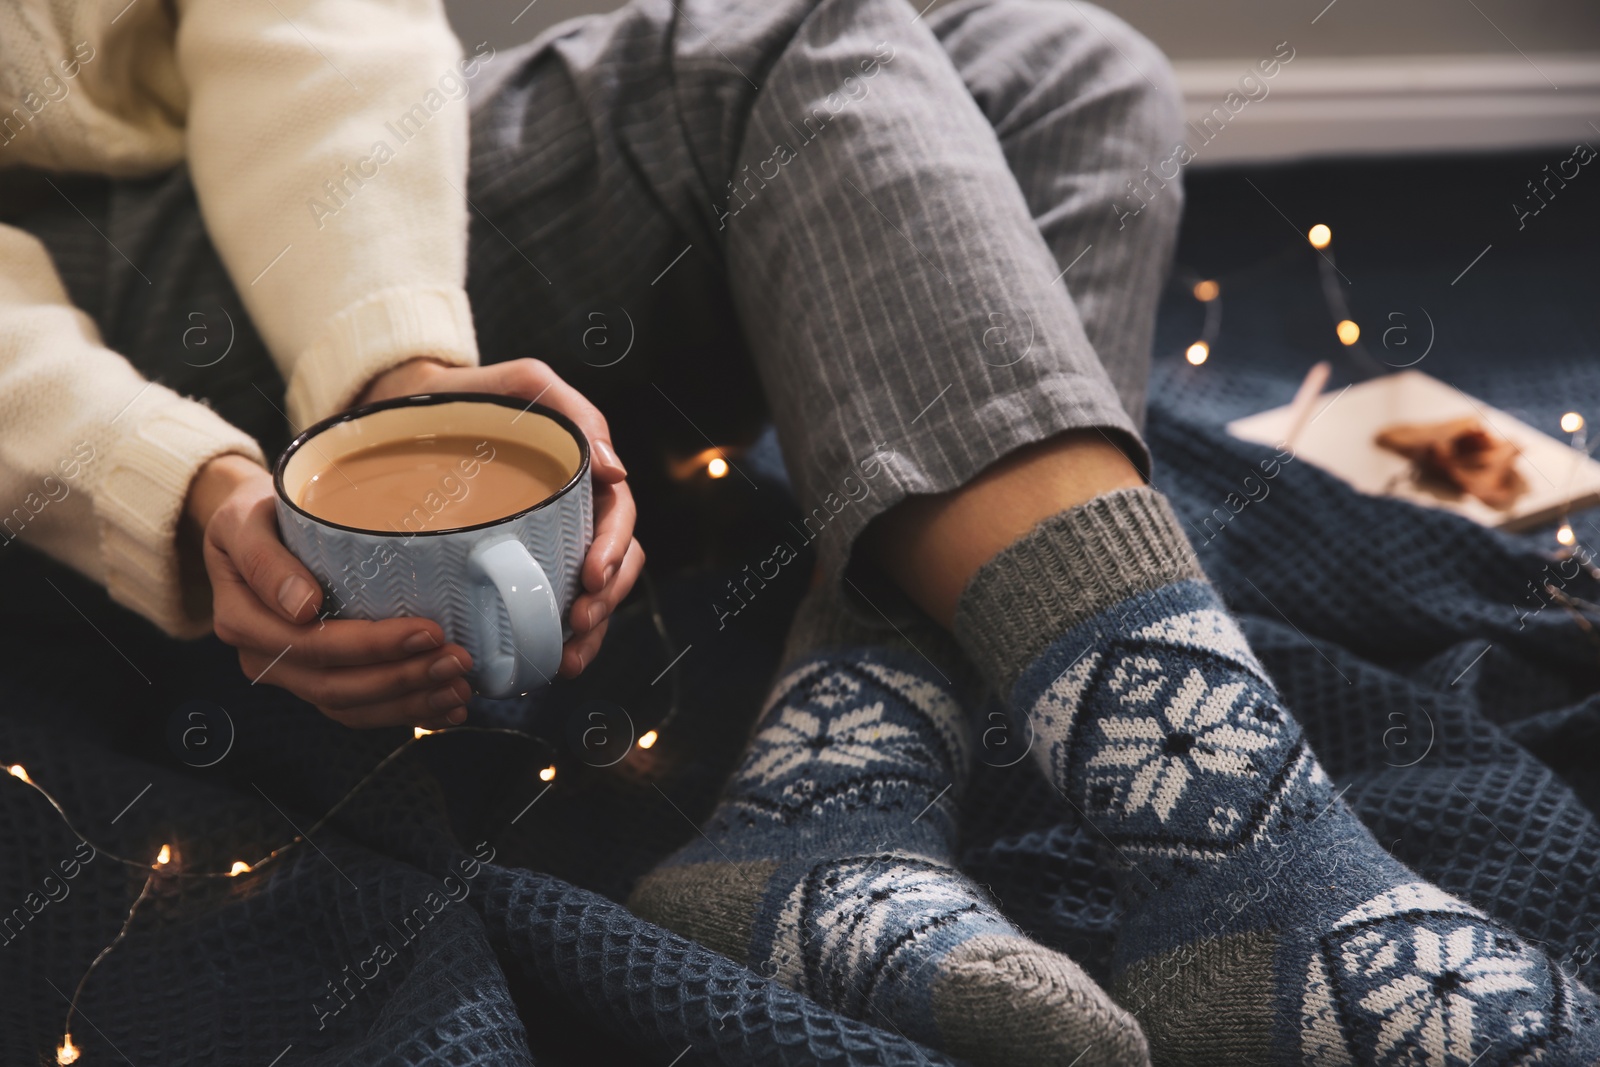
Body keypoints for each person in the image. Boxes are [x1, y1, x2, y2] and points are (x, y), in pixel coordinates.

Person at [4, 1, 1596, 1065]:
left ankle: (837, 788)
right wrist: (168, 480)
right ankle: (1242, 855)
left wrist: (403, 355)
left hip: (268, 175)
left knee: (1067, 74)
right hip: (57, 318)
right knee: (792, 41)